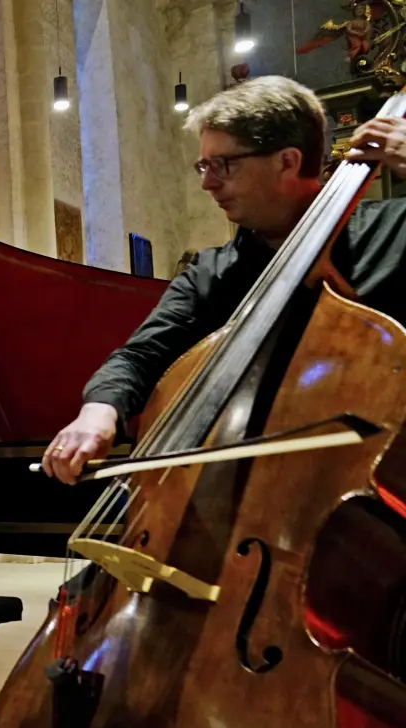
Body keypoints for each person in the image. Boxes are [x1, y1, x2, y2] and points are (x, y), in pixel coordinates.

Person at [43, 76, 406, 483]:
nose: (207, 182)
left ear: (286, 161)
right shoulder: (211, 272)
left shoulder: (396, 232)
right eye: (203, 164)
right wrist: (99, 411)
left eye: (223, 165)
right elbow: (139, 357)